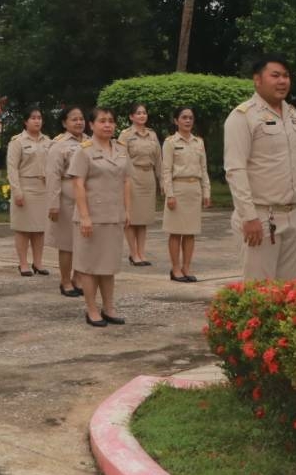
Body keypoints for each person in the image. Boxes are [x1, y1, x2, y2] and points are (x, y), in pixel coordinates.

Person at [223, 56, 296, 281]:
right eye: (275, 75)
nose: (282, 81)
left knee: (290, 291)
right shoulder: (243, 116)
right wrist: (249, 217)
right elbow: (235, 170)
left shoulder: (293, 115)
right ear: (257, 80)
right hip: (261, 217)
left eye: (286, 76)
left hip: (293, 215)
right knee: (260, 291)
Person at [68, 107, 130, 326]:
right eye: (102, 121)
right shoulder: (83, 151)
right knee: (89, 265)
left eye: (111, 121)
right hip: (91, 217)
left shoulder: (121, 149)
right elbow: (78, 184)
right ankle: (92, 309)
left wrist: (127, 210)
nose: (107, 125)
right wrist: (85, 216)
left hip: (113, 215)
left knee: (108, 265)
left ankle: (109, 308)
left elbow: (126, 181)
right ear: (91, 125)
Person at [160, 106, 212, 282]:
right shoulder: (170, 142)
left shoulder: (199, 142)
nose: (188, 120)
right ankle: (175, 269)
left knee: (190, 232)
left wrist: (206, 191)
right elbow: (166, 170)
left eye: (190, 117)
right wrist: (170, 194)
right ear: (176, 121)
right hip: (178, 189)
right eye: (184, 117)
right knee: (175, 232)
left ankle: (186, 267)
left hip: (194, 189)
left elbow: (203, 169)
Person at [45, 106, 87, 298]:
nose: (79, 122)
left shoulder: (89, 141)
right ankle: (65, 281)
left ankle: (78, 278)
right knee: (67, 243)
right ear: (64, 123)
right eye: (74, 119)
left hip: (86, 197)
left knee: (83, 242)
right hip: (67, 197)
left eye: (81, 119)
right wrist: (53, 204)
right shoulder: (59, 144)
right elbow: (53, 175)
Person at [6, 107, 51, 276]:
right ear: (25, 121)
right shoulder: (17, 141)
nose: (37, 121)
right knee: (23, 228)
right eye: (33, 118)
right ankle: (23, 263)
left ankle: (38, 262)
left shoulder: (48, 141)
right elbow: (12, 168)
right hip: (25, 187)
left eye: (39, 117)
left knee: (40, 229)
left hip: (43, 188)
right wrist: (17, 191)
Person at [119, 103, 160, 267]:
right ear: (131, 117)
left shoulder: (152, 134)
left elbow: (158, 158)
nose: (142, 115)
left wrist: (162, 180)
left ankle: (141, 253)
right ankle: (133, 253)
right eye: (138, 113)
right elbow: (121, 159)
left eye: (144, 113)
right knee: (132, 218)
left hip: (148, 176)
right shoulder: (126, 135)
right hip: (132, 176)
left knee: (143, 218)